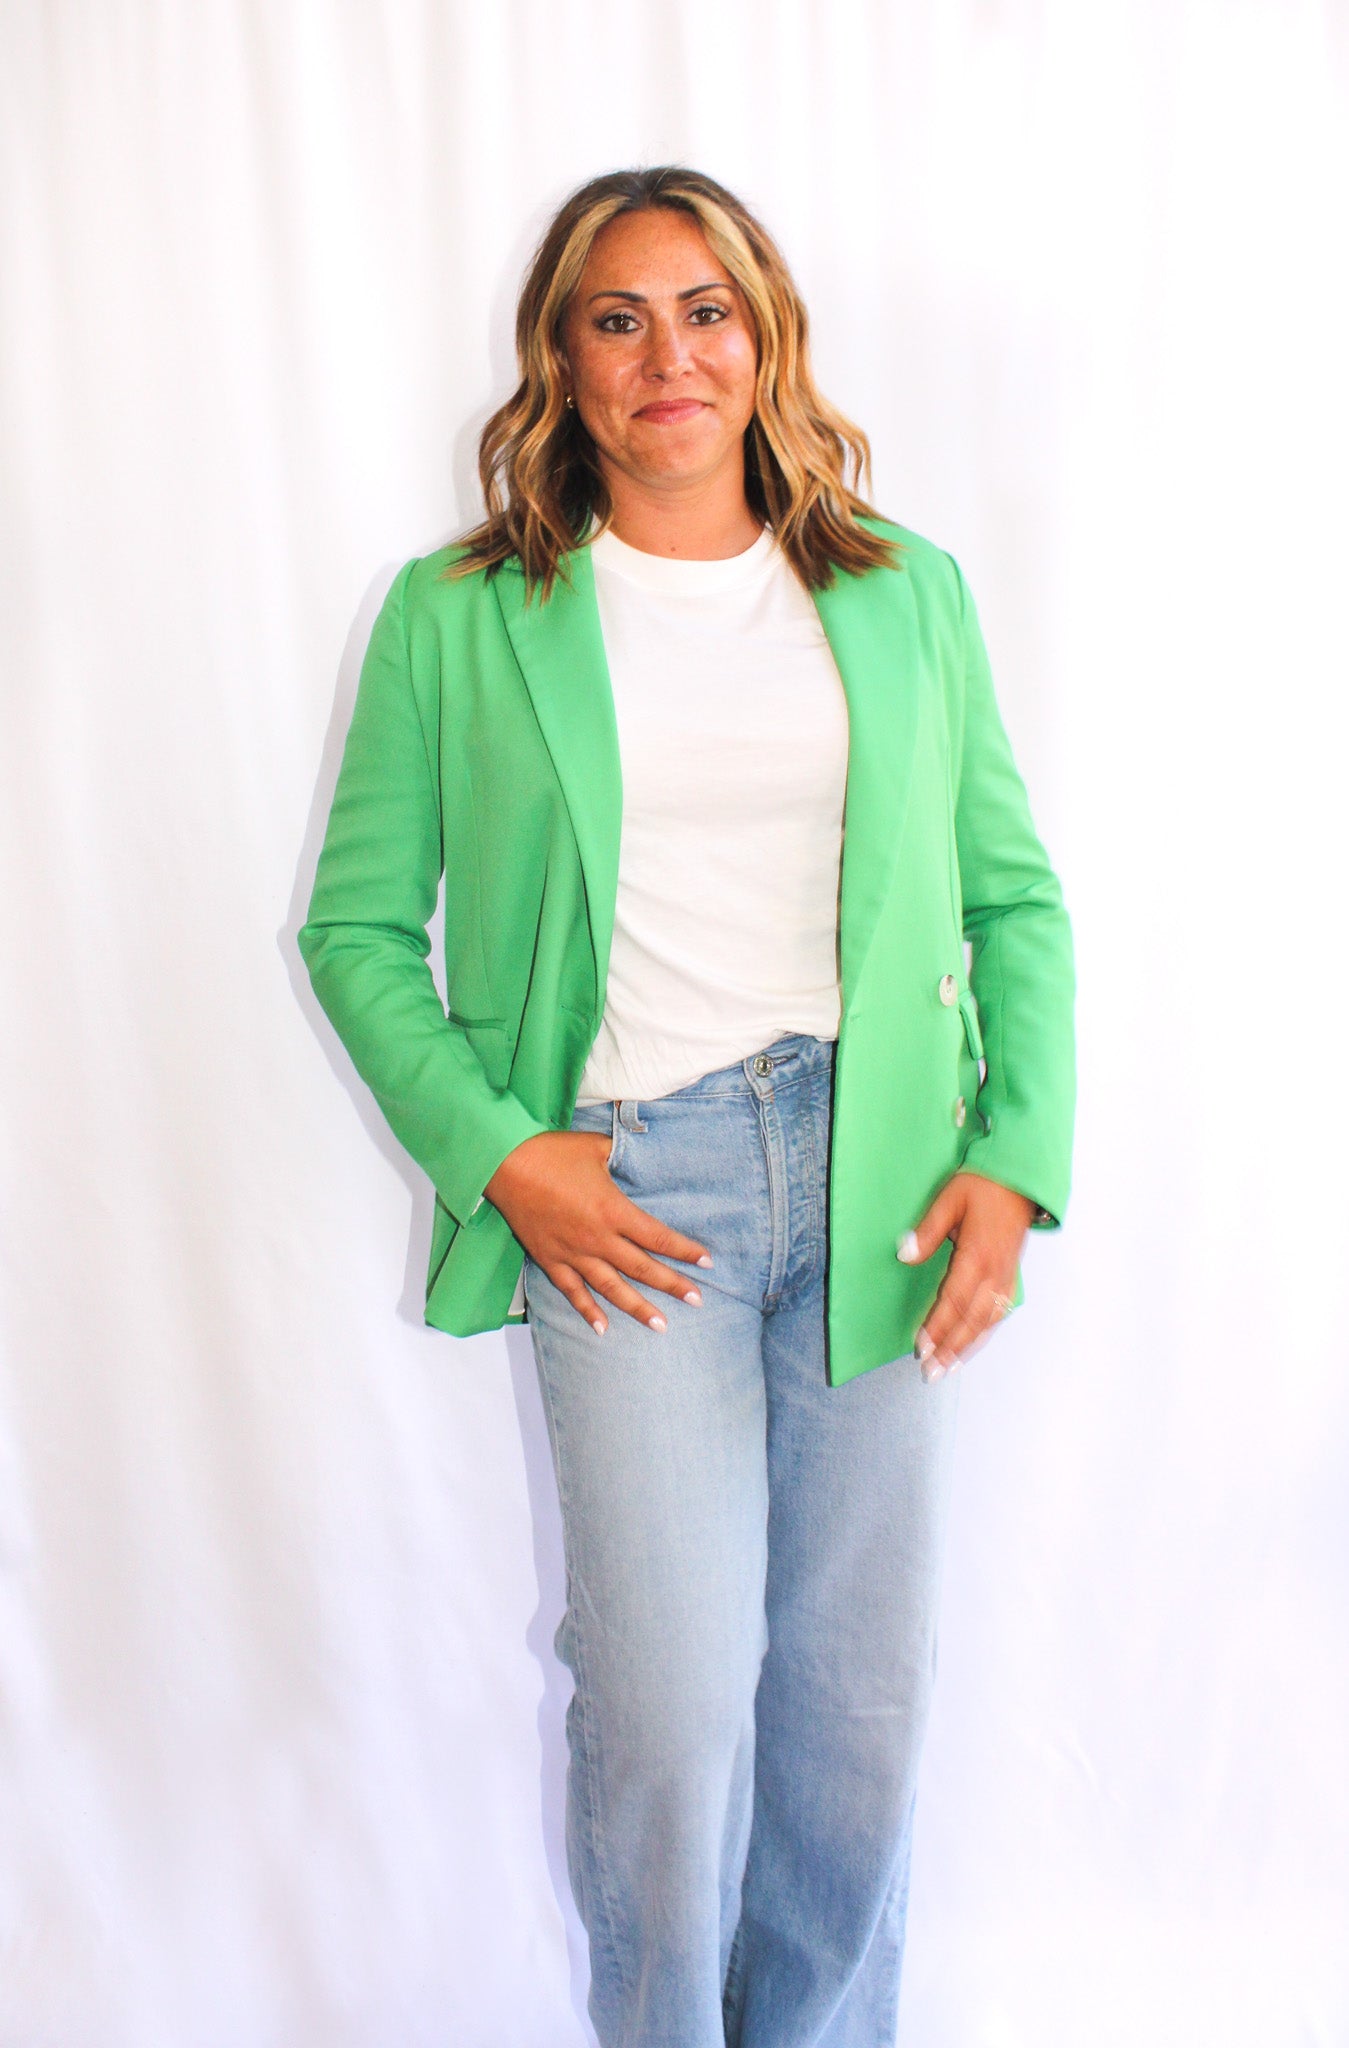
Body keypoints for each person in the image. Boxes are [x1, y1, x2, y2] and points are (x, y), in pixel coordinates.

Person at [299, 165, 1074, 2048]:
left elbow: (1010, 899)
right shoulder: (461, 615)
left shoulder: (901, 591)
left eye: (705, 310)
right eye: (618, 318)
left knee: (853, 1705)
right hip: (632, 1197)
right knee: (667, 1704)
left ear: (765, 338)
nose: (669, 354)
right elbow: (356, 931)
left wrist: (1013, 1158)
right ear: (560, 362)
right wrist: (504, 1156)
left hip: (881, 1177)